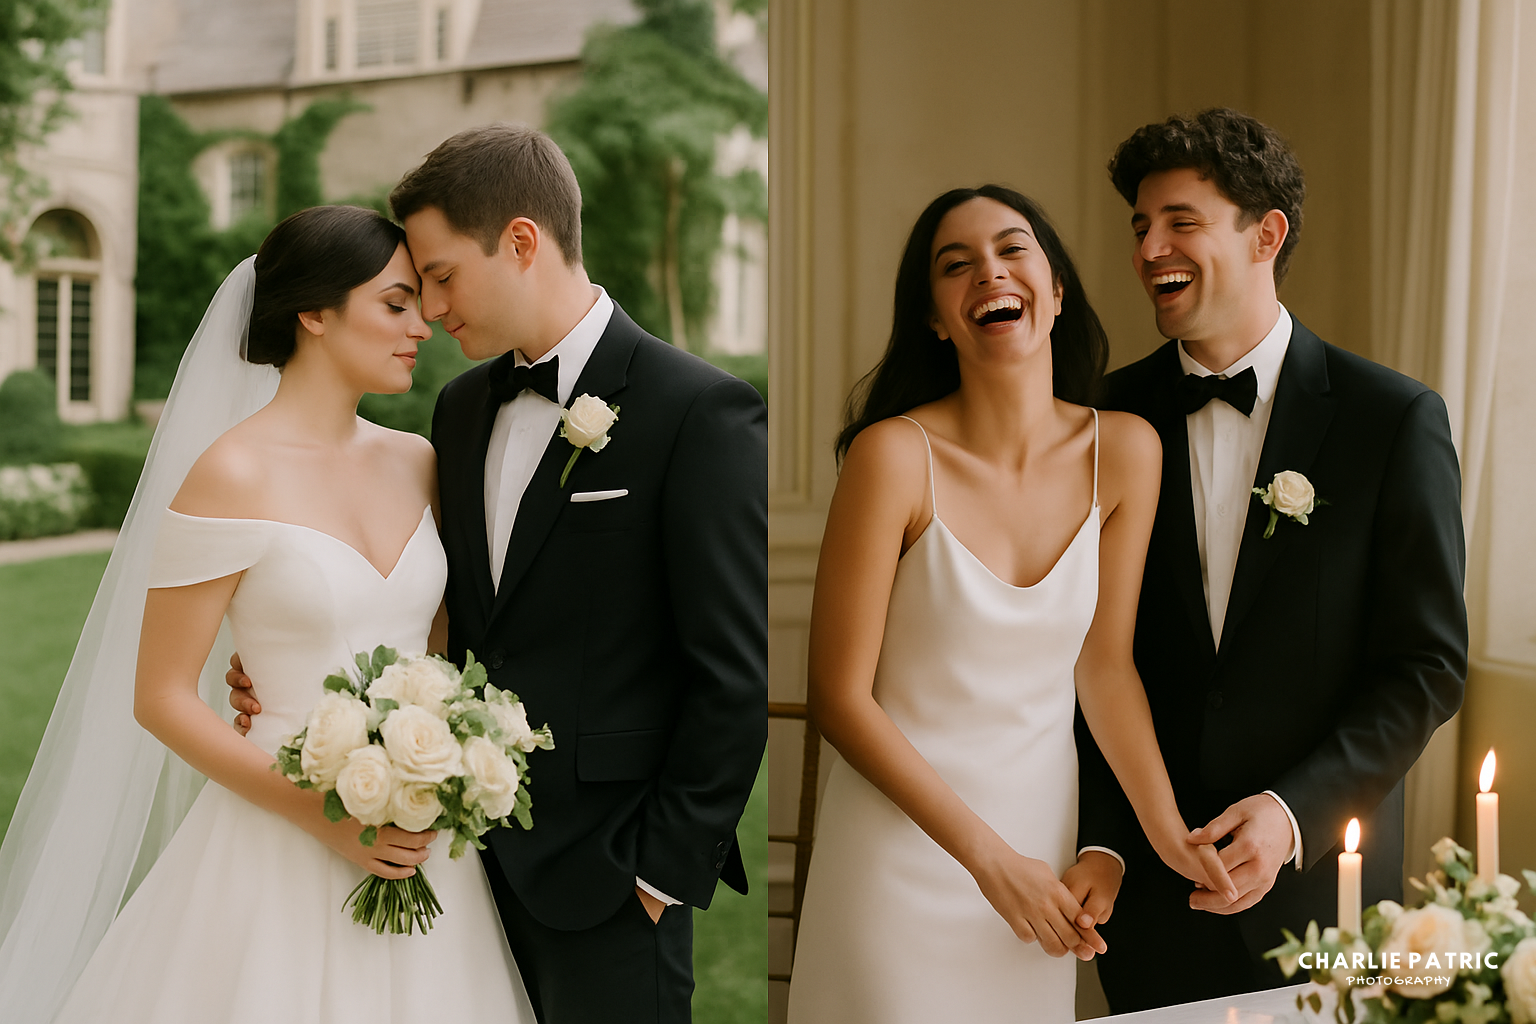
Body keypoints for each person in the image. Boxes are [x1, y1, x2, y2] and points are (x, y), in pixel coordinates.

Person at [230, 124, 768, 1024]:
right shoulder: (461, 408)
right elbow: (448, 617)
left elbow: (731, 674)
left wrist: (657, 877)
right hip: (454, 864)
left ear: (521, 242)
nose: (431, 310)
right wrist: (298, 678)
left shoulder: (697, 410)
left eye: (439, 276)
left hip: (610, 879)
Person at [0, 205, 536, 1022]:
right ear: (313, 314)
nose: (422, 324)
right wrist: (328, 819)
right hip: (276, 834)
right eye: (394, 303)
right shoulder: (230, 472)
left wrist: (450, 757)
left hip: (420, 837)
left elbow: (439, 651)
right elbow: (162, 695)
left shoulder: (418, 459)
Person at [784, 185, 1234, 1024]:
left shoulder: (1127, 451)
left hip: (1042, 862)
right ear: (936, 317)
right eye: (956, 265)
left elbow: (1105, 670)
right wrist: (987, 861)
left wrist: (1164, 834)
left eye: (1012, 248)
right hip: (900, 862)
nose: (988, 270)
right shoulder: (891, 457)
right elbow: (840, 701)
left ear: (1057, 290)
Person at [1076, 108, 1468, 1012]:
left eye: (1180, 221)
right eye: (1140, 226)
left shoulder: (1392, 419)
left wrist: (1297, 814)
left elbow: (1427, 663)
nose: (1148, 249)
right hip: (1148, 892)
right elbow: (1081, 659)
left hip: (1325, 888)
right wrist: (1108, 838)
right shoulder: (1101, 418)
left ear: (1267, 234)